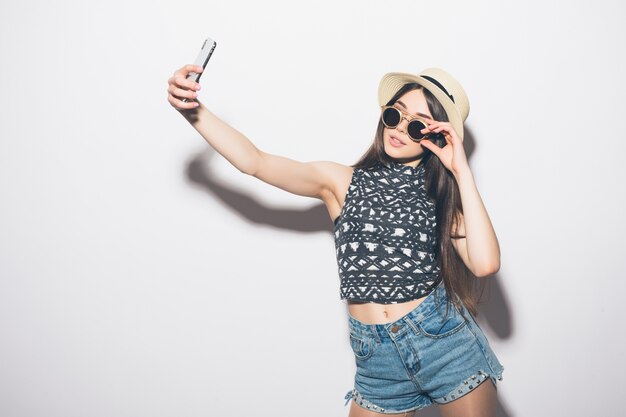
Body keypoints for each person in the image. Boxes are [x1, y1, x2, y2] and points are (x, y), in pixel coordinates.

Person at [167, 64, 504, 416]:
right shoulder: (341, 182)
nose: (400, 129)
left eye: (417, 124)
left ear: (436, 137)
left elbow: (485, 263)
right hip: (377, 360)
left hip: (445, 345)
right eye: (395, 114)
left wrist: (460, 171)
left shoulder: (439, 201)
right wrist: (194, 111)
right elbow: (255, 162)